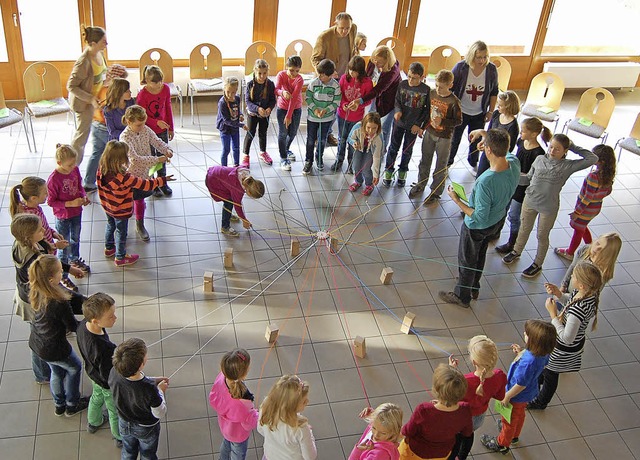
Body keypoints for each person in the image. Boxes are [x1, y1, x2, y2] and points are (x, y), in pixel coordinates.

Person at [439, 129, 520, 308]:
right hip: (497, 221)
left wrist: (456, 200)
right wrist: (485, 136)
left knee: (467, 260)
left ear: (488, 150)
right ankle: (474, 286)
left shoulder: (487, 181)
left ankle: (462, 296)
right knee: (480, 254)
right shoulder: (514, 163)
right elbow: (504, 148)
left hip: (477, 227)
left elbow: (478, 215)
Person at [502, 134, 598, 278]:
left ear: (565, 151)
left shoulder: (568, 166)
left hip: (548, 207)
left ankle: (537, 263)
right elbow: (528, 178)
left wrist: (572, 146)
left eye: (558, 149)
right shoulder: (539, 159)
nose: (552, 151)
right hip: (530, 201)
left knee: (542, 235)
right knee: (524, 229)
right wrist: (510, 176)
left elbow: (593, 159)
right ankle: (516, 251)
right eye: (551, 147)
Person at [527, 261, 602, 410]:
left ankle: (541, 402)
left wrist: (553, 314)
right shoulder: (586, 294)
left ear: (581, 285)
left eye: (574, 276)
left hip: (563, 349)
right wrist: (559, 294)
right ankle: (539, 378)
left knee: (551, 374)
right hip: (565, 346)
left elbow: (567, 338)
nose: (571, 276)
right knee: (548, 369)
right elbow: (571, 300)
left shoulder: (576, 312)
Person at [10, 214, 76, 383]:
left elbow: (46, 263)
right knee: (39, 336)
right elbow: (47, 271)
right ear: (29, 236)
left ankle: (43, 372)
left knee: (38, 334)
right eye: (40, 230)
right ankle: (42, 374)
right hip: (32, 300)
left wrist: (67, 266)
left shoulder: (22, 244)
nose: (43, 230)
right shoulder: (32, 259)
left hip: (26, 295)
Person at [480, 319, 557, 455]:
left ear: (534, 342)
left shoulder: (528, 362)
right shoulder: (543, 353)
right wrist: (521, 352)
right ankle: (514, 435)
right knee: (519, 414)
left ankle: (502, 444)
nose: (524, 334)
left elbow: (521, 383)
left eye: (527, 334)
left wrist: (507, 396)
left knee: (508, 420)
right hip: (528, 393)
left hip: (516, 395)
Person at [28, 254, 88, 417]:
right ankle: (72, 404)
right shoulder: (58, 302)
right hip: (55, 348)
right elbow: (73, 326)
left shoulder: (37, 288)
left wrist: (84, 300)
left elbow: (68, 293)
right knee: (74, 367)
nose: (63, 273)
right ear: (51, 279)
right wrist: (90, 320)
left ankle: (59, 404)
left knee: (56, 371)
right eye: (60, 271)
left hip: (38, 344)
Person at [97, 140, 174, 266]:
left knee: (110, 226)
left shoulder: (101, 169)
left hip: (107, 206)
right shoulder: (124, 177)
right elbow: (144, 184)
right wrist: (162, 180)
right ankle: (120, 257)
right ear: (119, 159)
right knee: (121, 233)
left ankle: (109, 248)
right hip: (121, 210)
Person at [494, 117, 552, 254]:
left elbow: (533, 176)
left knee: (514, 215)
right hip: (511, 182)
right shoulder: (521, 142)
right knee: (503, 208)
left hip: (522, 189)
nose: (521, 134)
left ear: (534, 134)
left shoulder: (539, 153)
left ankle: (512, 242)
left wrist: (517, 174)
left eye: (523, 132)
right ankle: (496, 231)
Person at [120, 105, 174, 241]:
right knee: (127, 204)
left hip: (145, 172)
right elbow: (135, 160)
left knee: (140, 200)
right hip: (131, 175)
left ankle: (140, 224)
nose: (142, 127)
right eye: (138, 125)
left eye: (143, 124)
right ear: (129, 122)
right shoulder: (125, 137)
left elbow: (156, 141)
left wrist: (167, 149)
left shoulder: (145, 129)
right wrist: (157, 159)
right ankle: (122, 228)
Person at [448, 336, 507, 460]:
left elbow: (451, 397)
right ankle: (462, 457)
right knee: (469, 435)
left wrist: (452, 371)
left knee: (456, 439)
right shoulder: (500, 375)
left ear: (474, 362)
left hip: (461, 418)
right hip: (479, 418)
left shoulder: (465, 381)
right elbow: (500, 396)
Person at [109, 338, 169, 460]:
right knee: (147, 453)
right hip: (145, 427)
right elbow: (159, 413)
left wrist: (153, 380)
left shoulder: (114, 371)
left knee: (128, 450)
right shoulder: (149, 388)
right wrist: (161, 390)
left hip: (124, 421)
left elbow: (134, 381)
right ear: (141, 364)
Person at [409, 70, 462, 205]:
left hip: (444, 137)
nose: (438, 89)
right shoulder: (432, 93)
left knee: (441, 165)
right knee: (425, 160)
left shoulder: (454, 101)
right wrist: (422, 126)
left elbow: (458, 121)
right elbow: (427, 112)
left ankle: (436, 191)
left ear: (450, 85)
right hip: (430, 132)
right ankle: (421, 184)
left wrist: (443, 122)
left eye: (442, 87)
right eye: (437, 85)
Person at [76, 293, 122, 447]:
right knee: (113, 409)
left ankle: (93, 422)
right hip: (105, 382)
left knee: (96, 398)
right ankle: (119, 436)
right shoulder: (103, 348)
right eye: (110, 316)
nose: (115, 318)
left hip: (92, 373)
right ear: (95, 320)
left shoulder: (83, 325)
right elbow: (108, 372)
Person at [399, 363, 473, 460]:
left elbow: (408, 431)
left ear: (436, 390)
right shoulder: (465, 410)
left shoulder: (424, 410)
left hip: (416, 452)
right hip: (441, 454)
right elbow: (467, 433)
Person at [555, 145, 616, 259]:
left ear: (600, 161)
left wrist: (577, 212)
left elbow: (587, 197)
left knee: (578, 230)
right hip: (595, 208)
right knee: (582, 227)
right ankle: (590, 247)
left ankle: (570, 252)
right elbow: (608, 192)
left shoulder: (593, 176)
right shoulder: (608, 175)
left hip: (585, 209)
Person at [447, 41, 499, 170]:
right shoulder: (461, 67)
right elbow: (450, 88)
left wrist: (490, 111)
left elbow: (494, 92)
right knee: (454, 139)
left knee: (476, 140)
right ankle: (448, 162)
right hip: (461, 110)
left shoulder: (491, 69)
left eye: (485, 57)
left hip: (479, 112)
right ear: (472, 55)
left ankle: (473, 161)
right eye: (478, 57)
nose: (482, 60)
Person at [311, 12, 358, 147]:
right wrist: (328, 73)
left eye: (347, 28)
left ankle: (328, 133)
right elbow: (315, 59)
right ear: (335, 24)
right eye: (341, 28)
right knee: (325, 107)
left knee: (337, 107)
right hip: (329, 78)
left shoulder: (353, 29)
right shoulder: (324, 37)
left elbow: (354, 49)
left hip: (345, 77)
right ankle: (318, 135)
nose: (345, 31)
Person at [67, 27, 112, 164]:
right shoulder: (83, 62)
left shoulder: (99, 53)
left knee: (97, 136)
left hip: (96, 100)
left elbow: (97, 76)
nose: (107, 44)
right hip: (84, 103)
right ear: (93, 43)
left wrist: (107, 80)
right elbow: (71, 86)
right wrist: (91, 99)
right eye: (103, 41)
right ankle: (71, 167)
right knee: (81, 137)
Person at [47, 144, 91, 285]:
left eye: (74, 163)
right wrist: (70, 203)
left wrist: (84, 197)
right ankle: (64, 273)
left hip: (77, 213)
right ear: (59, 163)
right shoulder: (53, 179)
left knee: (76, 238)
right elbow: (51, 201)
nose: (73, 167)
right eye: (70, 164)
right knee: (64, 244)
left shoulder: (75, 170)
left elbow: (80, 187)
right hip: (62, 217)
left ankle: (75, 259)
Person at [81, 63, 128, 193]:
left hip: (96, 124)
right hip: (105, 128)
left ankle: (89, 182)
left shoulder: (101, 87)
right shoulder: (111, 92)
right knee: (111, 156)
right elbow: (113, 114)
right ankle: (112, 182)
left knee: (96, 153)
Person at [383, 62, 430, 187]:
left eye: (414, 78)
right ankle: (388, 170)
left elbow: (427, 110)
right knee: (393, 147)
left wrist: (419, 124)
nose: (410, 80)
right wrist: (398, 111)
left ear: (421, 77)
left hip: (413, 126)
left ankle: (403, 171)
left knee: (407, 150)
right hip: (399, 123)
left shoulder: (426, 90)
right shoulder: (402, 84)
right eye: (409, 76)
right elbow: (397, 100)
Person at [208, 349, 259, 460]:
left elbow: (213, 396)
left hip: (225, 428)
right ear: (244, 373)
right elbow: (249, 422)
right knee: (238, 454)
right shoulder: (242, 403)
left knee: (226, 446)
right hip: (238, 435)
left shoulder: (221, 377)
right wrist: (260, 415)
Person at [352, 46, 401, 151]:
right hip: (375, 98)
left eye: (380, 63)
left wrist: (360, 100)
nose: (376, 64)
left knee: (384, 128)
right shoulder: (373, 61)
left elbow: (378, 90)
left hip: (388, 102)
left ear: (387, 62)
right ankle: (368, 146)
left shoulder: (392, 72)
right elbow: (367, 76)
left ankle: (381, 151)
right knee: (370, 121)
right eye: (375, 60)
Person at [136, 65, 175, 197]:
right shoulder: (142, 95)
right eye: (154, 81)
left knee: (162, 156)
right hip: (147, 132)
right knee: (152, 158)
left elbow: (168, 108)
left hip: (162, 130)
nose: (158, 84)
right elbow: (141, 117)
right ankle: (153, 183)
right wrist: (155, 122)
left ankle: (162, 181)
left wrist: (171, 127)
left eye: (160, 81)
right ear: (146, 80)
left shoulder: (165, 89)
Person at [257, 374, 317, 460]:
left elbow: (260, 429)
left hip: (269, 456)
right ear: (291, 406)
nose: (308, 401)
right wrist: (310, 434)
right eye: (304, 401)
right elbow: (310, 457)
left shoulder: (266, 407)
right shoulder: (300, 427)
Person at [331, 55, 373, 174]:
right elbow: (339, 94)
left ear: (361, 72)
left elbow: (368, 99)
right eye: (350, 70)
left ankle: (351, 164)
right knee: (341, 139)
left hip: (357, 118)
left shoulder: (367, 82)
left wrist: (358, 105)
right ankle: (339, 161)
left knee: (353, 141)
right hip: (342, 115)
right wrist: (343, 104)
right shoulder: (344, 78)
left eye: (355, 72)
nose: (352, 73)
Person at [303, 59, 341, 175]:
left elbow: (336, 102)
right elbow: (308, 97)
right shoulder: (314, 83)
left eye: (322, 75)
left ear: (330, 75)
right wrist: (315, 109)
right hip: (312, 118)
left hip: (327, 118)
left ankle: (319, 157)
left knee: (322, 139)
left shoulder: (335, 86)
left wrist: (326, 110)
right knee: (310, 140)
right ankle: (308, 161)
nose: (320, 76)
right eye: (319, 73)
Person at [10, 176, 68, 252]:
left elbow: (43, 226)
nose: (48, 194)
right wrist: (56, 246)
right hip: (45, 253)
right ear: (33, 198)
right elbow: (37, 243)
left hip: (49, 244)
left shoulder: (35, 207)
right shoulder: (31, 217)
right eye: (45, 193)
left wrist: (52, 232)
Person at [205, 165, 265, 237]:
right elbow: (237, 206)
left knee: (229, 199)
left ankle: (228, 214)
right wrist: (244, 220)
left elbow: (241, 166)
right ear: (248, 191)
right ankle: (225, 227)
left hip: (215, 171)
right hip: (213, 181)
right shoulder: (238, 189)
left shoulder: (246, 174)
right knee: (229, 202)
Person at [473, 90, 520, 177]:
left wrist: (492, 148)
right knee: (480, 174)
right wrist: (484, 141)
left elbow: (509, 148)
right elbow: (489, 132)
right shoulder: (496, 114)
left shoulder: (513, 126)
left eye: (500, 105)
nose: (497, 106)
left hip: (497, 158)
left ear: (508, 106)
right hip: (487, 151)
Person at [244, 59, 277, 167]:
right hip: (252, 114)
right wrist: (257, 109)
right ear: (255, 72)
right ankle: (245, 155)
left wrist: (269, 109)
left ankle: (263, 152)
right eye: (259, 73)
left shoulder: (271, 84)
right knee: (250, 133)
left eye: (264, 73)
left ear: (267, 72)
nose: (262, 76)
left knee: (263, 133)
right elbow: (248, 102)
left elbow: (273, 100)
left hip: (265, 115)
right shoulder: (250, 84)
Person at [275, 56, 304, 171]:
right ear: (286, 67)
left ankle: (286, 149)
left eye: (297, 71)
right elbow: (276, 89)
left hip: (296, 108)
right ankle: (283, 158)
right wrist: (283, 93)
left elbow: (294, 97)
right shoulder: (281, 75)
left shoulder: (300, 79)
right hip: (282, 108)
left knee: (292, 133)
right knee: (283, 133)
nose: (294, 73)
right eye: (291, 70)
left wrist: (289, 116)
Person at [347, 112, 384, 197]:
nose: (371, 131)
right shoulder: (357, 127)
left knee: (366, 169)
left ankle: (369, 184)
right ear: (364, 125)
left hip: (371, 151)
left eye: (374, 128)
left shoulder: (379, 137)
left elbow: (377, 157)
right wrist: (354, 143)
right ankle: (358, 181)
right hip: (359, 148)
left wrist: (376, 175)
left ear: (378, 127)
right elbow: (349, 138)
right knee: (356, 166)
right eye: (368, 127)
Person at [217, 76, 246, 167]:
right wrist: (241, 125)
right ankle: (224, 168)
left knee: (236, 148)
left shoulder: (237, 98)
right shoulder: (222, 103)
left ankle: (236, 165)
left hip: (235, 128)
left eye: (233, 92)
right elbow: (226, 121)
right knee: (226, 150)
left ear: (237, 90)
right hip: (225, 129)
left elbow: (237, 109)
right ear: (224, 89)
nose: (230, 94)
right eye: (228, 91)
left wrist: (240, 114)